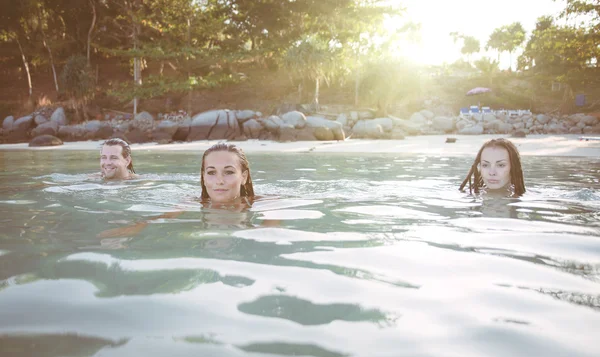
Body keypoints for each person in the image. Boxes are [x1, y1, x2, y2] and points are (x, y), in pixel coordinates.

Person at [459, 138, 526, 197]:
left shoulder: (528, 199)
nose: (492, 173)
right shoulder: (468, 195)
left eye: (501, 165)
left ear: (513, 167)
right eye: (485, 165)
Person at [200, 142, 255, 208]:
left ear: (244, 177)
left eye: (229, 172)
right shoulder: (186, 205)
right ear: (204, 177)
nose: (219, 181)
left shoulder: (265, 205)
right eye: (211, 172)